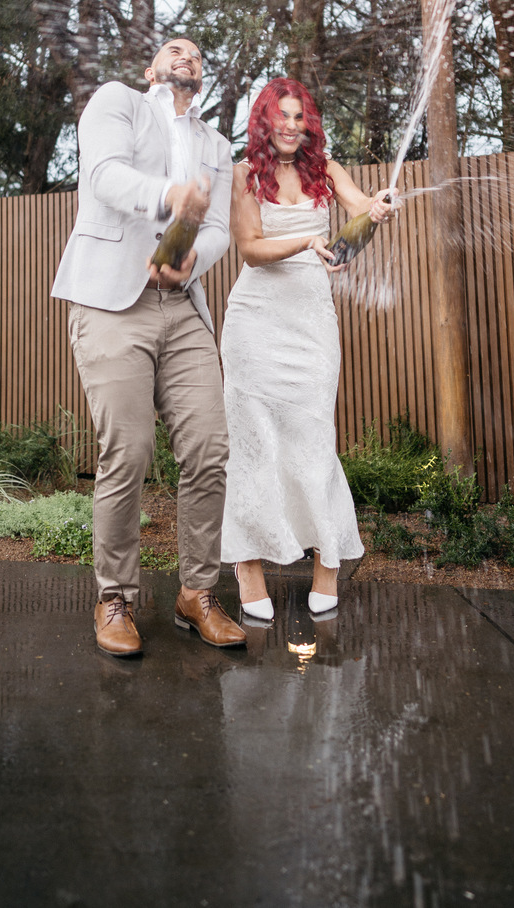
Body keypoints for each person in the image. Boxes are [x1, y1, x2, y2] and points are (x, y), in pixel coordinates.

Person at [52, 37, 247, 659]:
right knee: (129, 452)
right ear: (151, 68)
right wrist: (169, 194)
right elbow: (104, 176)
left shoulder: (217, 146)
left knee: (210, 450)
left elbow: (218, 230)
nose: (187, 55)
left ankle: (198, 594)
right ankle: (114, 598)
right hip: (113, 301)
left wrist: (193, 259)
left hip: (182, 306)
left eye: (197, 53)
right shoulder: (118, 102)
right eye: (173, 48)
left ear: (202, 76)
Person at [219, 77, 396, 620]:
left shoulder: (327, 170)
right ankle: (249, 565)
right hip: (255, 324)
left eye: (300, 116)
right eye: (283, 116)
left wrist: (377, 210)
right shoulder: (245, 175)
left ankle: (327, 563)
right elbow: (250, 250)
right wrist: (305, 241)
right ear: (264, 121)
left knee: (315, 440)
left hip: (312, 324)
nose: (292, 125)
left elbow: (356, 220)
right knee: (254, 445)